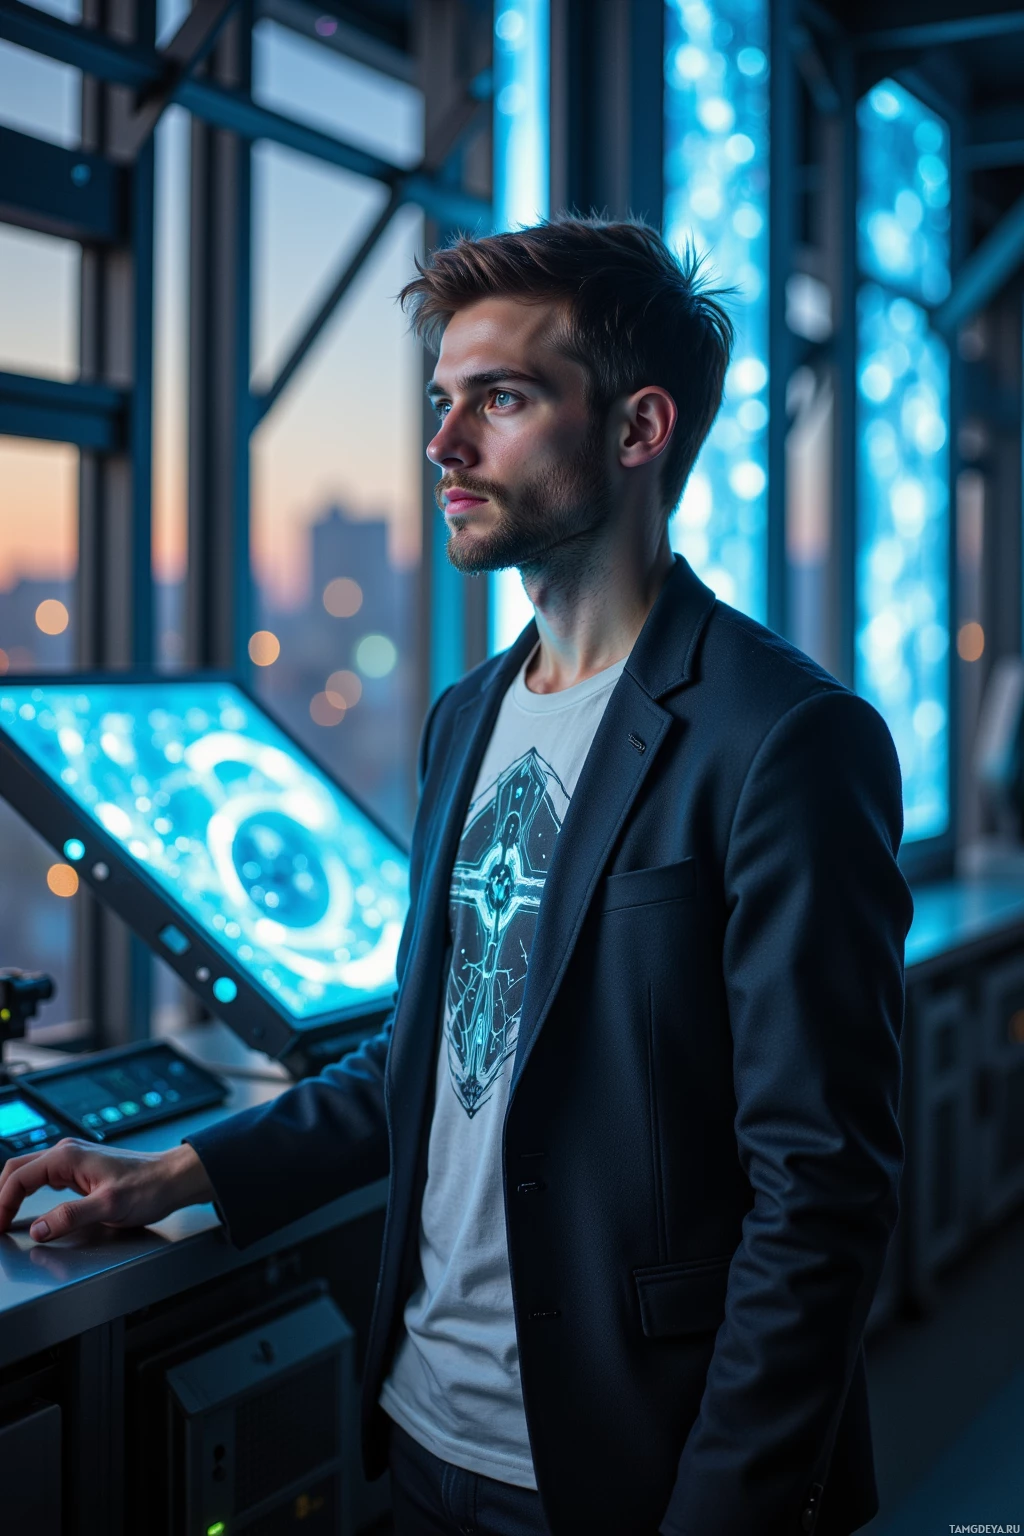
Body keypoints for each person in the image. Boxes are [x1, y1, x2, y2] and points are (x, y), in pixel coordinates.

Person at [0, 217, 912, 1536]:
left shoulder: (784, 739)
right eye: (442, 401)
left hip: (640, 1471)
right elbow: (424, 1063)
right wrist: (174, 1174)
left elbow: (819, 1199)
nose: (444, 445)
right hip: (424, 1439)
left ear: (639, 428)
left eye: (501, 398)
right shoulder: (464, 719)